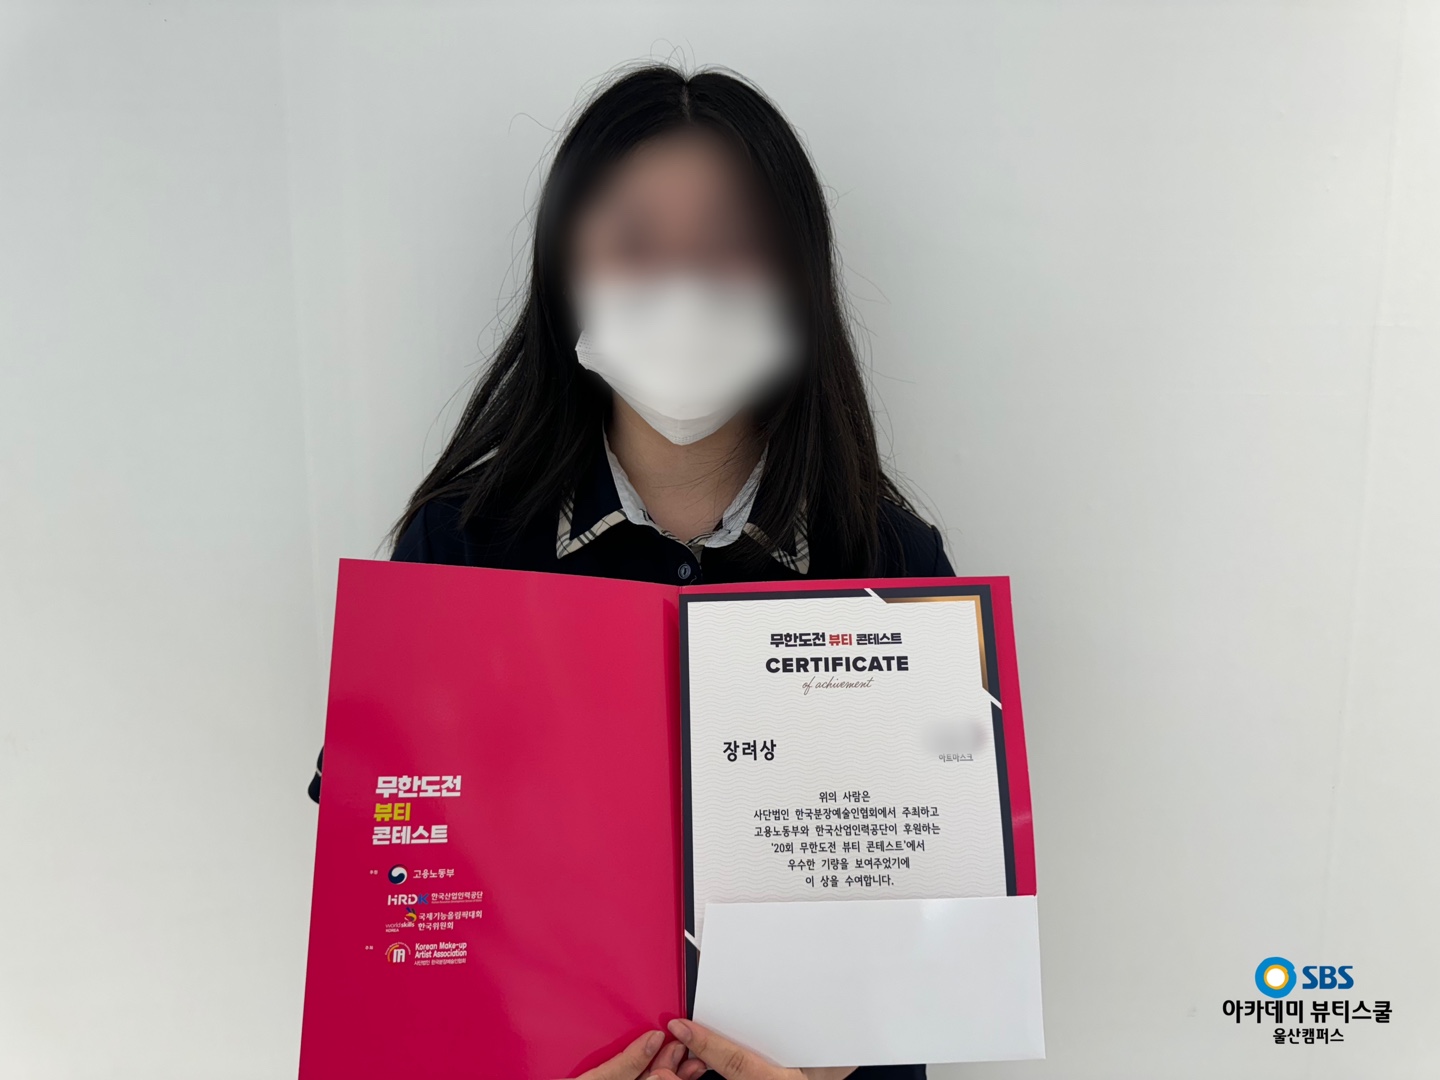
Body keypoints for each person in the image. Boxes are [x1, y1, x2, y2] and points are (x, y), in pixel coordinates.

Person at [309, 64, 952, 1080]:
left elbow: (933, 932)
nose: (683, 283)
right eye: (635, 241)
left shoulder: (893, 566)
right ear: (569, 270)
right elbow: (395, 888)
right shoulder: (458, 550)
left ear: (796, 276)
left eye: (731, 242)